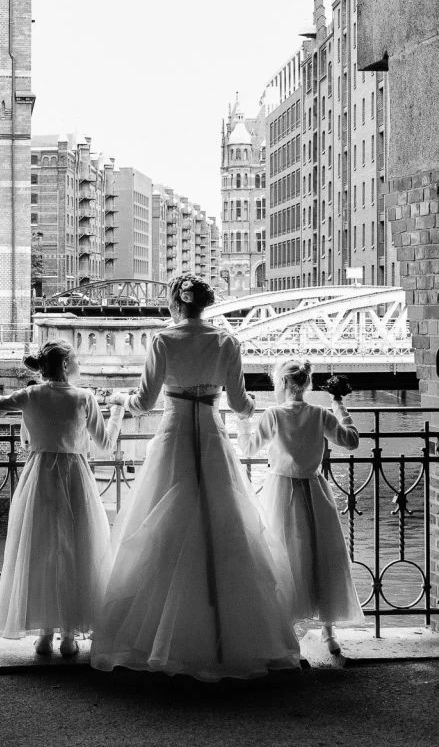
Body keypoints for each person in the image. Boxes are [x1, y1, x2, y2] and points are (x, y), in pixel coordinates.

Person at [90, 274, 301, 681]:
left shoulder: (163, 341)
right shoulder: (226, 342)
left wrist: (118, 399)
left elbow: (144, 402)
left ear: (176, 302)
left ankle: (159, 637)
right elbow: (240, 405)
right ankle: (228, 636)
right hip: (211, 436)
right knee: (225, 524)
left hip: (173, 436)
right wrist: (253, 403)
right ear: (207, 303)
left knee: (162, 527)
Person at [0, 341, 124, 657]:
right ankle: (70, 635)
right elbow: (104, 443)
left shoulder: (32, 396)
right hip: (74, 476)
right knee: (78, 550)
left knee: (40, 549)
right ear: (69, 364)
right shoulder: (83, 398)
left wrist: (19, 400)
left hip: (39, 475)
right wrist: (118, 411)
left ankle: (44, 634)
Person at [236, 360, 365, 661]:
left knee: (284, 558)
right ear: (307, 384)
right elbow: (351, 441)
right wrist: (339, 404)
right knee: (322, 557)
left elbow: (248, 449)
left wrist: (243, 418)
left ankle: (289, 632)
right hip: (315, 490)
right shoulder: (320, 414)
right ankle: (329, 630)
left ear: (281, 384)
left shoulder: (274, 415)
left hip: (281, 492)